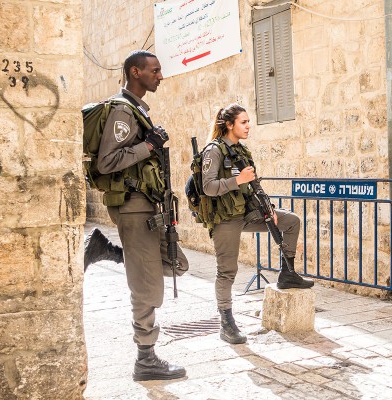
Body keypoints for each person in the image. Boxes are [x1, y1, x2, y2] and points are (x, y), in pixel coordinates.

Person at [95, 49, 187, 381]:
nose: (160, 76)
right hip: (133, 207)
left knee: (174, 262)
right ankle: (146, 358)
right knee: (146, 282)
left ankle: (107, 251)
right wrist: (148, 146)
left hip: (146, 207)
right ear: (135, 72)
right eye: (154, 71)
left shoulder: (137, 110)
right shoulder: (123, 111)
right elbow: (105, 162)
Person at [201, 103, 314, 344]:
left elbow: (253, 185)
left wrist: (269, 208)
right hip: (225, 219)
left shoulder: (242, 151)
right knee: (227, 271)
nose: (248, 126)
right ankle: (226, 322)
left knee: (291, 221)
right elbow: (208, 187)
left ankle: (287, 273)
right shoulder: (214, 150)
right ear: (229, 125)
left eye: (249, 121)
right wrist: (236, 180)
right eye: (243, 122)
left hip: (247, 213)